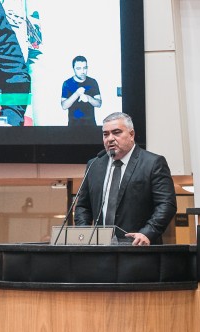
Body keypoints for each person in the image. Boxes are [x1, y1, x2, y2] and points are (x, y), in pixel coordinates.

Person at [74, 112, 177, 245]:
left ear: (131, 134)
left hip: (139, 248)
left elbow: (166, 204)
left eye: (116, 132)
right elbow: (83, 207)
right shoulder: (94, 164)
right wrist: (85, 234)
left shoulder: (153, 163)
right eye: (106, 134)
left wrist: (148, 233)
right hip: (99, 249)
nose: (110, 139)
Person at [60, 55, 102, 126]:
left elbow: (99, 104)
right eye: (79, 68)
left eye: (85, 68)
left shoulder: (92, 82)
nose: (82, 71)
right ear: (73, 69)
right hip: (73, 125)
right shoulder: (67, 83)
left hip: (91, 124)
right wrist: (77, 94)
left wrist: (89, 98)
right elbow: (64, 106)